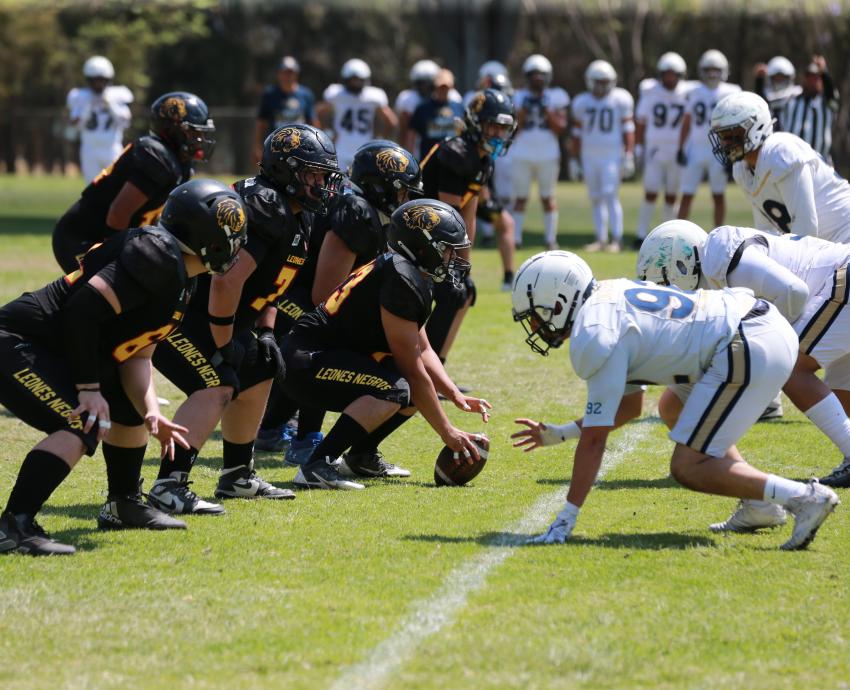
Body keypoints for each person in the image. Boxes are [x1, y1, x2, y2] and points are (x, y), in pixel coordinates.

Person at [510, 250, 839, 550]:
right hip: (753, 327)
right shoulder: (606, 298)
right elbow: (629, 408)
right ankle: (760, 506)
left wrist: (566, 517)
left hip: (746, 339)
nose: (536, 326)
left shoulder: (594, 331)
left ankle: (802, 497)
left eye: (537, 315)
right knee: (672, 406)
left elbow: (596, 440)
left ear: (558, 301)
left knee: (688, 466)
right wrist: (561, 433)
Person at [0, 179, 247, 555]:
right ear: (210, 238)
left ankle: (124, 504)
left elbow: (138, 355)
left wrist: (151, 413)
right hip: (19, 342)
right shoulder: (158, 255)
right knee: (82, 420)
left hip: (58, 348)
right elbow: (82, 311)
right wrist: (87, 389)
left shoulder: (181, 276)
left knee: (128, 409)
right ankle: (13, 526)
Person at [146, 124, 342, 514]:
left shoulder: (294, 212)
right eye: (313, 174)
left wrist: (266, 331)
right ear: (287, 172)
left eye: (324, 175)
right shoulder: (266, 206)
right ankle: (169, 483)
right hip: (177, 310)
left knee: (259, 368)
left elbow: (273, 282)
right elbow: (226, 280)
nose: (322, 184)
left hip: (213, 314)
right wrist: (224, 347)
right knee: (217, 382)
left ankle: (237, 475)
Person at [281, 199, 491, 490]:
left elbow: (424, 349)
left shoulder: (410, 273)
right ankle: (318, 464)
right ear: (422, 247)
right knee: (398, 387)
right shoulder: (401, 277)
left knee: (409, 384)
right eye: (447, 248)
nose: (454, 257)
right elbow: (414, 370)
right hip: (306, 362)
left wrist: (454, 394)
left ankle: (362, 455)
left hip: (320, 357)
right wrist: (447, 432)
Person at [638, 221, 850, 501]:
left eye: (664, 282)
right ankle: (719, 464)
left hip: (840, 280)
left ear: (682, 262)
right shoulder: (710, 277)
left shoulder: (718, 255)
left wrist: (775, 352)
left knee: (793, 368)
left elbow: (793, 292)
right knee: (672, 404)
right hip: (835, 286)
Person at [271, 140, 425, 472]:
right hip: (292, 296)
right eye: (401, 192)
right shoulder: (357, 211)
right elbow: (324, 294)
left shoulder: (367, 210)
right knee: (329, 344)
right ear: (379, 186)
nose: (406, 200)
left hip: (303, 294)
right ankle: (305, 437)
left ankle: (273, 428)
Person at [52, 91, 215, 273]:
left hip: (110, 235)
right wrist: (117, 259)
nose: (199, 139)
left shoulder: (180, 164)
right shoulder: (158, 158)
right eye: (193, 132)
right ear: (172, 129)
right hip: (83, 237)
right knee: (97, 298)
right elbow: (118, 213)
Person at [420, 88, 516, 360]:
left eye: (503, 129)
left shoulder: (483, 160)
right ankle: (422, 370)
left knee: (463, 293)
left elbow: (469, 213)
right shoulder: (457, 153)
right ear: (476, 123)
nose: (498, 134)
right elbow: (448, 216)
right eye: (493, 127)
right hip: (415, 234)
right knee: (450, 293)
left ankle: (437, 367)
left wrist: (464, 266)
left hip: (434, 235)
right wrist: (452, 264)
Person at [710, 91, 850, 241]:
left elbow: (806, 227)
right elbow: (767, 231)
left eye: (733, 134)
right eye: (723, 136)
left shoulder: (780, 151)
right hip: (826, 247)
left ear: (757, 127)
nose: (726, 143)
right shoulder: (741, 170)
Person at [569, 60, 635, 253]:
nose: (602, 86)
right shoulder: (582, 102)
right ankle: (601, 238)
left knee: (610, 196)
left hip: (611, 156)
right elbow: (576, 134)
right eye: (598, 82)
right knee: (596, 198)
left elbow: (628, 129)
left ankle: (616, 238)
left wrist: (628, 154)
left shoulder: (620, 99)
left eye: (605, 81)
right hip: (589, 156)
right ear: (590, 81)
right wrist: (574, 159)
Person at [510, 54, 569, 250]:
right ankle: (516, 239)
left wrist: (547, 110)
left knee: (548, 198)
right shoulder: (518, 96)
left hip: (548, 153)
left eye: (541, 75)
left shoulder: (556, 96)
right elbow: (514, 129)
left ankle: (550, 240)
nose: (538, 79)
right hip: (523, 152)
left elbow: (560, 128)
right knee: (520, 198)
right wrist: (524, 111)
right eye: (534, 75)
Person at [676, 50, 740, 225]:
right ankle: (678, 231)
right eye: (709, 69)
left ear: (724, 70)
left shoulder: (732, 91)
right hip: (695, 148)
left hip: (718, 149)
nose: (712, 74)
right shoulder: (693, 91)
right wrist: (681, 147)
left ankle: (718, 232)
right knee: (687, 194)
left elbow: (735, 124)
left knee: (718, 194)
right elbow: (687, 121)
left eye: (716, 69)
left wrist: (732, 151)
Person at [634, 52, 689, 248]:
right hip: (655, 149)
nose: (669, 78)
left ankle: (668, 235)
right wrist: (638, 146)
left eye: (673, 74)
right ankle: (641, 235)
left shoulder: (688, 92)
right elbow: (641, 121)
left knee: (672, 194)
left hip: (677, 149)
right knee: (650, 191)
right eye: (666, 74)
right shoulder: (650, 91)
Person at [318, 59, 398, 172]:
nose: (355, 83)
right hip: (343, 148)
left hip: (361, 148)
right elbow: (319, 113)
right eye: (353, 80)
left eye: (358, 80)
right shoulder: (336, 94)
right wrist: (327, 133)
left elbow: (391, 122)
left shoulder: (372, 97)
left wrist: (379, 139)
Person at [67, 56, 134, 182]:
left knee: (115, 186)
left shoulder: (117, 95)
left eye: (101, 80)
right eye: (95, 80)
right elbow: (75, 125)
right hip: (89, 149)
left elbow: (125, 122)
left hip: (112, 148)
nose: (98, 83)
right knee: (92, 189)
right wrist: (87, 108)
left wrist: (110, 105)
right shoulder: (80, 97)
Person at [253, 55, 318, 165]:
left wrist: (316, 146)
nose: (288, 76)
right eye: (285, 72)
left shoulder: (305, 95)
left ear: (296, 74)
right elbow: (261, 123)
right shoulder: (270, 95)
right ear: (279, 74)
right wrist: (257, 147)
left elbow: (313, 123)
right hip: (275, 147)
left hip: (300, 147)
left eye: (291, 72)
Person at [778, 56, 839, 163]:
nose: (812, 81)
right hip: (793, 163)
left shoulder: (827, 104)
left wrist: (824, 72)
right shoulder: (791, 101)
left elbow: (832, 94)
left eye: (816, 77)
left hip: (821, 164)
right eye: (809, 77)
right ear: (804, 79)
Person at [395, 59, 462, 154]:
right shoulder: (419, 105)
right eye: (421, 84)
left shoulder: (456, 103)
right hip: (425, 156)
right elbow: (406, 130)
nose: (424, 88)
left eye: (427, 84)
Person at [407, 69, 465, 162]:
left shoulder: (459, 108)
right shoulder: (423, 108)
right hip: (428, 162)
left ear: (451, 87)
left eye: (445, 87)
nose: (443, 90)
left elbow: (464, 134)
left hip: (454, 164)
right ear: (434, 86)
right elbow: (411, 135)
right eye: (440, 87)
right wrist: (409, 159)